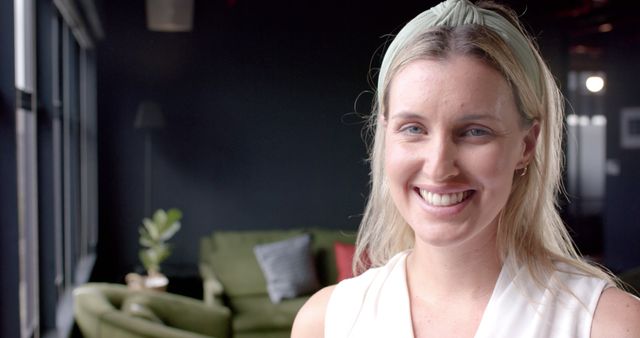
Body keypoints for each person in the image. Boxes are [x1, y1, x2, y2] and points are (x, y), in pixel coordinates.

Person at [292, 0, 640, 337]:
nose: (439, 167)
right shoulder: (325, 322)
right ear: (386, 136)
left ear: (526, 145)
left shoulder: (609, 325)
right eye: (413, 128)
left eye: (475, 131)